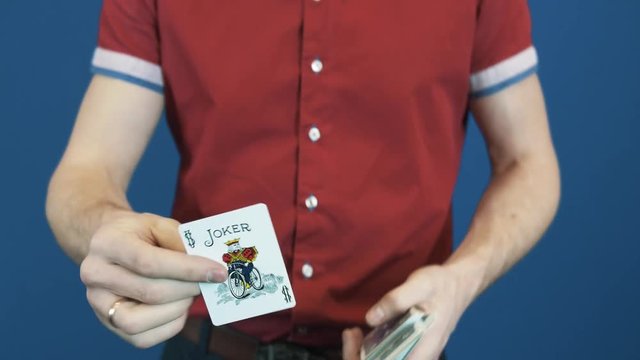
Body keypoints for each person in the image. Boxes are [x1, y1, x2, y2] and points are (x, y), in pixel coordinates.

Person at [46, 0, 560, 359]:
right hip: (213, 345)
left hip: (395, 349)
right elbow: (87, 171)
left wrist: (462, 279)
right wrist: (109, 235)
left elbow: (529, 162)